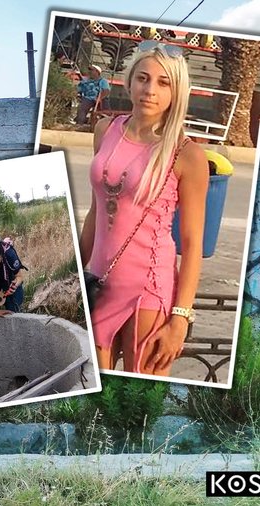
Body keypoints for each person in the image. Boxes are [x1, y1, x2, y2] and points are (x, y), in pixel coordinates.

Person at [79, 40, 207, 376]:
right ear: (129, 79)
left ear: (176, 91)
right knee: (92, 401)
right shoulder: (106, 130)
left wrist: (180, 318)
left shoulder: (187, 155)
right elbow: (95, 211)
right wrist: (72, 277)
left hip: (147, 293)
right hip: (98, 285)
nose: (150, 90)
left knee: (136, 409)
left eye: (164, 83)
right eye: (143, 78)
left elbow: (193, 244)